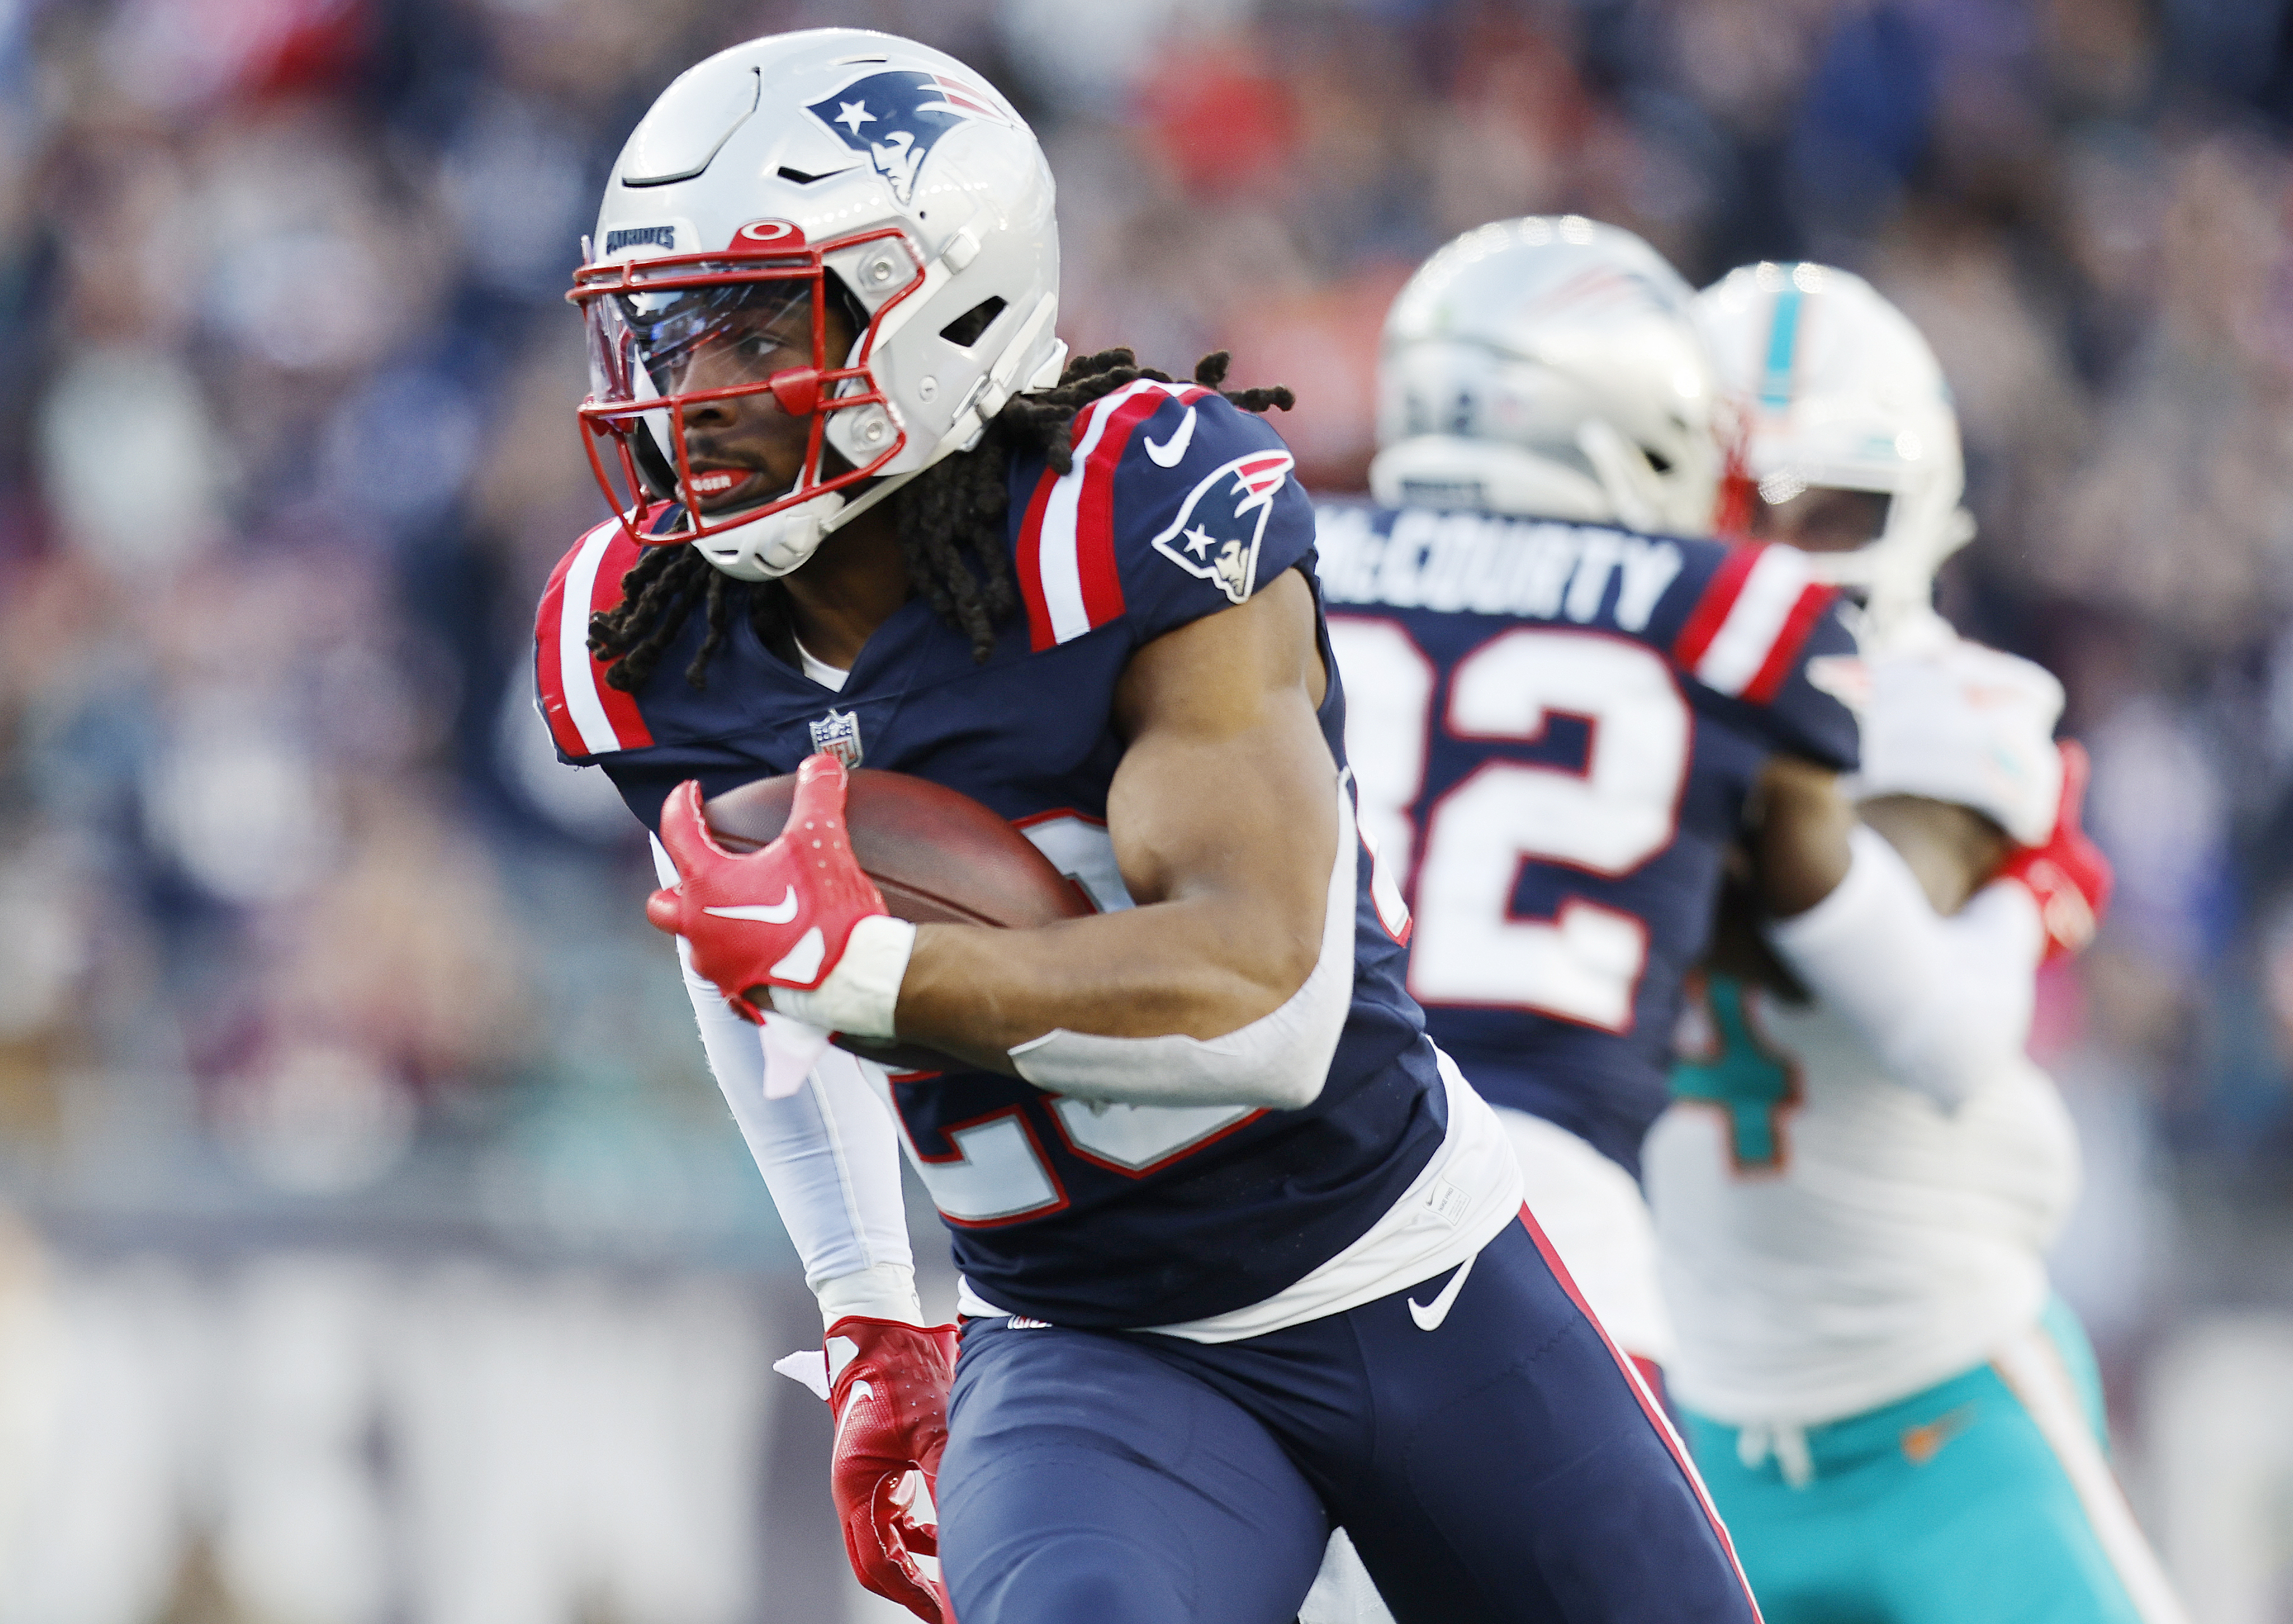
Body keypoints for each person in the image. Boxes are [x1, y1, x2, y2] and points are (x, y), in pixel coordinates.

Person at [536, 30, 1754, 1624]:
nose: (691, 395)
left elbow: (1268, 1001)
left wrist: (890, 976)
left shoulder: (1133, 511)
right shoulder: (642, 628)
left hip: (1412, 1271)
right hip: (1089, 1337)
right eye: (667, 329)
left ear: (943, 308)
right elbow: (742, 941)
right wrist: (865, 1307)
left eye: (757, 323)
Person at [1306, 216, 1875, 1623]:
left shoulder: (1279, 556)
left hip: (1273, 1176)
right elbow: (1812, 889)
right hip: (1547, 1214)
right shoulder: (1731, 612)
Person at [1634, 260, 2183, 1624]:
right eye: (1736, 504)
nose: (1774, 549)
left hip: (1947, 1406)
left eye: (1828, 510)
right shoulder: (1597, 704)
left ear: (1918, 505)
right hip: (1699, 1414)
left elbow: (1943, 1038)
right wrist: (2020, 897)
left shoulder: (1960, 706)